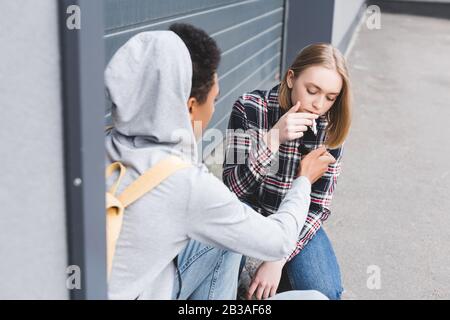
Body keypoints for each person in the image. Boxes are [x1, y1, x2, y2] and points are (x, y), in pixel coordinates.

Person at [105, 29, 334, 300]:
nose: (319, 103)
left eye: (331, 97)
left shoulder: (98, 144)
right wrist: (303, 179)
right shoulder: (188, 182)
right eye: (214, 99)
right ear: (191, 107)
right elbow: (278, 240)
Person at [223, 43, 352, 300]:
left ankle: (278, 282)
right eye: (312, 90)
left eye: (330, 97)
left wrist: (277, 260)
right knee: (227, 290)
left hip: (296, 220)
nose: (318, 105)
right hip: (247, 212)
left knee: (327, 293)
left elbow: (317, 207)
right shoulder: (249, 108)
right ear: (291, 78)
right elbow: (232, 189)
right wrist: (272, 140)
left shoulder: (331, 128)